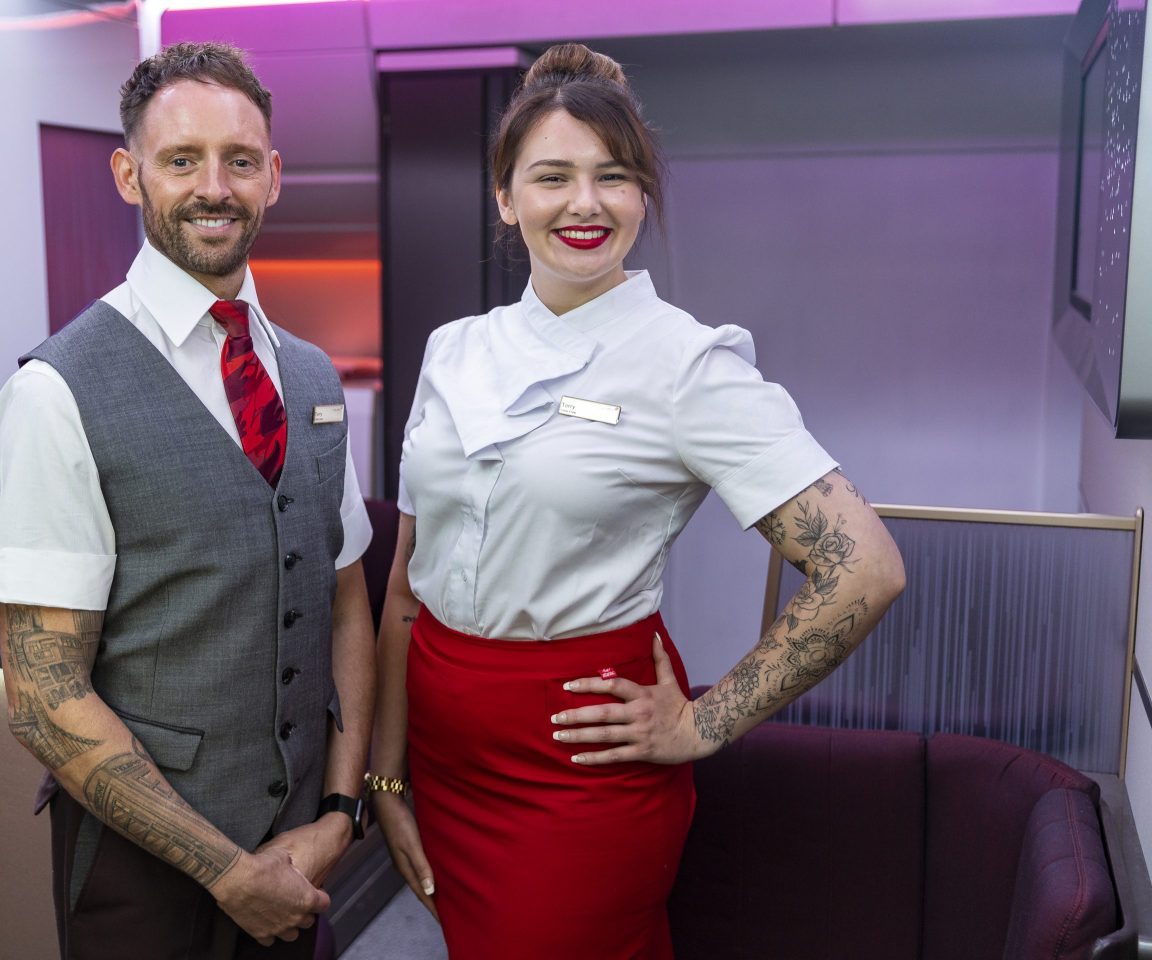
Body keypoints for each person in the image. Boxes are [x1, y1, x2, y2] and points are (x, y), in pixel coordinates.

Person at [367, 43, 906, 960]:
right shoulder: (454, 351)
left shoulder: (689, 366)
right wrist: (387, 776)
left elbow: (866, 568)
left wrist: (702, 721)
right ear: (505, 198)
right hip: (444, 759)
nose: (585, 204)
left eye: (613, 177)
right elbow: (408, 589)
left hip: (578, 767)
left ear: (642, 193)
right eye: (553, 177)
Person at [0, 42, 376, 960]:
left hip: (295, 853)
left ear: (273, 178)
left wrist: (341, 812)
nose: (215, 186)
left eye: (240, 160)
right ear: (130, 175)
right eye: (181, 159)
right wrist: (226, 871)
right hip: (141, 879)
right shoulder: (57, 391)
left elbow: (344, 597)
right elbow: (42, 695)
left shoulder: (311, 375)